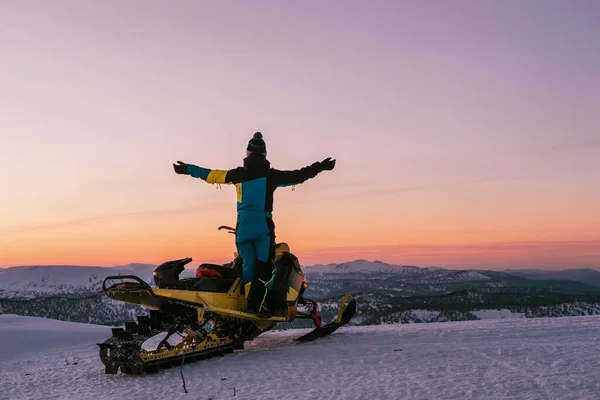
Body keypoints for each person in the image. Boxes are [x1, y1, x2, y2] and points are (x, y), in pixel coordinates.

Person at [173, 132, 336, 317]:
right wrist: (321, 166)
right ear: (265, 154)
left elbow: (210, 175)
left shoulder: (237, 174)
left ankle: (248, 305)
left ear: (248, 153)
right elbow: (300, 175)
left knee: (248, 267)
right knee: (266, 268)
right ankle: (257, 307)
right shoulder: (271, 176)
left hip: (242, 228)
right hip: (262, 227)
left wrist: (186, 168)